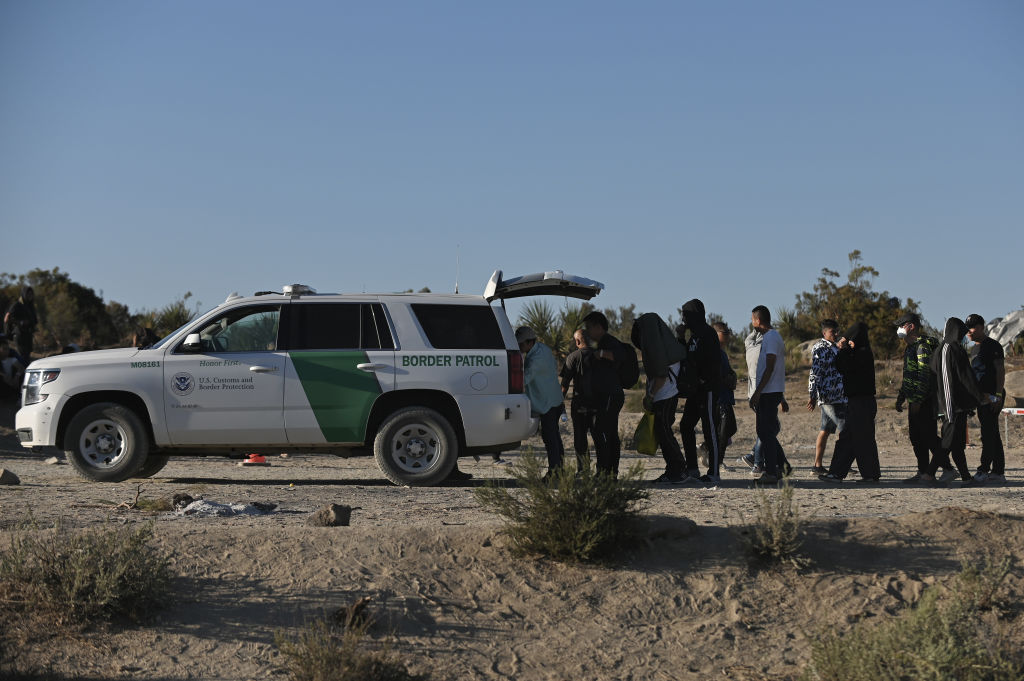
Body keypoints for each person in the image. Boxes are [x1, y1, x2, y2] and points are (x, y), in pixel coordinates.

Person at [918, 317, 986, 486]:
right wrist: (979, 397)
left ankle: (966, 477)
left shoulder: (946, 349)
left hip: (952, 404)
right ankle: (929, 475)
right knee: (948, 441)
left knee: (957, 443)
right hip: (952, 404)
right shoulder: (951, 349)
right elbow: (961, 378)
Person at [819, 322, 881, 483]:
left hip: (861, 402)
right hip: (860, 402)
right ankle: (863, 474)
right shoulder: (861, 352)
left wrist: (844, 346)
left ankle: (844, 474)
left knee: (856, 439)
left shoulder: (861, 354)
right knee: (855, 438)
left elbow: (842, 365)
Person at [631, 313, 687, 483]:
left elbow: (661, 376)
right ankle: (675, 469)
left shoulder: (659, 351)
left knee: (664, 433)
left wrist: (650, 396)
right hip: (666, 395)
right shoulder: (667, 348)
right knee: (664, 433)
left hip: (664, 396)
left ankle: (677, 469)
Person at [893, 312, 949, 483]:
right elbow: (909, 374)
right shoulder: (909, 347)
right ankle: (923, 471)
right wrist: (902, 396)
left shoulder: (922, 346)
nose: (899, 329)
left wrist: (917, 399)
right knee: (916, 437)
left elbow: (925, 374)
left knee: (929, 436)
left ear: (910, 327)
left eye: (901, 325)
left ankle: (948, 468)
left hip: (925, 401)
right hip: (913, 400)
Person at [677, 299, 722, 483]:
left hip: (708, 388)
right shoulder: (694, 336)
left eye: (686, 314)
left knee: (709, 429)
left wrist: (704, 380)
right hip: (695, 390)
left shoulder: (707, 333)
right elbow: (685, 358)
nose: (683, 318)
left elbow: (713, 361)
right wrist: (681, 338)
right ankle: (692, 468)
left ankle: (714, 473)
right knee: (686, 425)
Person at [748, 305, 790, 484]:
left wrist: (758, 392)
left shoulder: (771, 337)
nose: (752, 323)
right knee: (766, 432)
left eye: (752, 320)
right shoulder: (768, 337)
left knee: (765, 432)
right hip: (770, 391)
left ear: (758, 320)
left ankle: (772, 472)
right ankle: (780, 467)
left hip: (768, 392)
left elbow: (770, 366)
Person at [516, 326, 565, 477]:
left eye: (520, 344)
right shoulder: (543, 349)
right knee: (555, 437)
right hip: (554, 399)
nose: (519, 347)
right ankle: (559, 469)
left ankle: (555, 471)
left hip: (547, 402)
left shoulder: (536, 359)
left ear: (529, 342)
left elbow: (525, 379)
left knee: (550, 438)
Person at [582, 311, 625, 476]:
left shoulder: (609, 342)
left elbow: (620, 355)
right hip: (607, 395)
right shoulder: (602, 343)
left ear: (599, 327)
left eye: (589, 328)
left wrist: (600, 354)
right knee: (609, 433)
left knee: (603, 432)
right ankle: (610, 471)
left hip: (609, 395)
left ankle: (605, 471)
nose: (587, 332)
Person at [966, 314, 1006, 484]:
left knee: (988, 433)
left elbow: (1000, 371)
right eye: (968, 328)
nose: (969, 331)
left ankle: (984, 470)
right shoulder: (974, 348)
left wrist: (996, 396)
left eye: (973, 327)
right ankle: (998, 472)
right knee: (992, 433)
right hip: (981, 397)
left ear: (981, 327)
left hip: (992, 396)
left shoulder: (993, 346)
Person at [806, 319, 847, 476]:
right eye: (832, 332)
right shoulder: (820, 348)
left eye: (837, 331)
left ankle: (817, 466)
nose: (836, 334)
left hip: (839, 396)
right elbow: (814, 372)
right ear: (824, 333)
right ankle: (841, 463)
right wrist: (812, 395)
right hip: (828, 397)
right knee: (844, 428)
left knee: (825, 430)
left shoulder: (835, 347)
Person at [560, 329, 597, 472]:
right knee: (599, 437)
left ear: (577, 341)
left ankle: (583, 469)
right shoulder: (600, 355)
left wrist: (559, 402)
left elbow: (564, 385)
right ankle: (604, 470)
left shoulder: (573, 357)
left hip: (580, 404)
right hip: (599, 404)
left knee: (580, 438)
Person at [711, 321, 738, 469]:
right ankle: (717, 460)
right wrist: (728, 379)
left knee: (730, 428)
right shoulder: (714, 352)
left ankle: (709, 451)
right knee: (724, 429)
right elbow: (717, 375)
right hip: (719, 398)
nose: (727, 336)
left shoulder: (722, 353)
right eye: (724, 333)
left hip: (725, 397)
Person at [4, 286, 38, 360]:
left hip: (28, 335)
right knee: (22, 356)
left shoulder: (30, 306)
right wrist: (21, 322)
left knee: (27, 356)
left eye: (31, 294)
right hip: (19, 335)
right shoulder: (17, 305)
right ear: (23, 294)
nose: (30, 296)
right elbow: (6, 319)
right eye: (28, 294)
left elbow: (34, 320)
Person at [0, 334, 27, 400]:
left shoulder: (12, 358)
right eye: (4, 349)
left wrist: (17, 376)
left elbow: (21, 367)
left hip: (12, 384)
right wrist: (3, 376)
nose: (6, 351)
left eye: (7, 349)